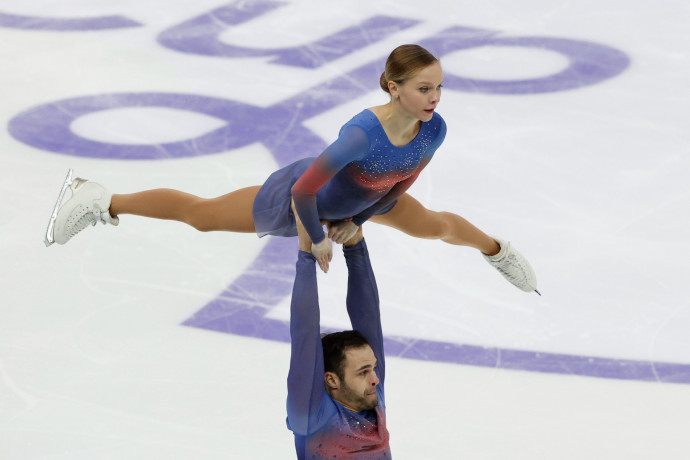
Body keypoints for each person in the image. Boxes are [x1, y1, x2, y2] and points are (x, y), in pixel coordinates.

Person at [44, 44, 539, 294]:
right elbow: (305, 190)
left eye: (438, 89)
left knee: (434, 224)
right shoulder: (361, 135)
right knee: (202, 215)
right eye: (423, 89)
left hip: (370, 197)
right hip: (305, 196)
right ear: (392, 86)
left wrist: (360, 220)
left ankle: (498, 252)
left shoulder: (434, 128)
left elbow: (408, 174)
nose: (433, 98)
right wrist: (320, 237)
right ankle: (100, 198)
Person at [287, 220, 390, 458]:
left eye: (372, 369)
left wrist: (355, 244)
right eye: (364, 371)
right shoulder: (313, 415)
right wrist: (306, 253)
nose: (376, 378)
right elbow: (304, 332)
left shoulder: (369, 397)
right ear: (332, 380)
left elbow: (369, 318)